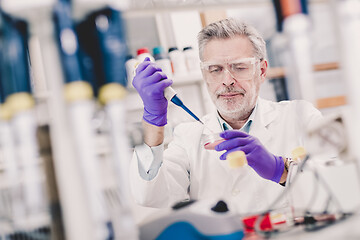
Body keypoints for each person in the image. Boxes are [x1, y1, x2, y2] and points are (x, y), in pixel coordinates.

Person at [129, 18, 322, 213]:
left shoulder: (300, 117)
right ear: (205, 75)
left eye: (239, 67)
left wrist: (280, 170)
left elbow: (340, 184)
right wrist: (153, 118)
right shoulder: (188, 137)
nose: (227, 81)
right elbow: (151, 195)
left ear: (262, 71)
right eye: (215, 70)